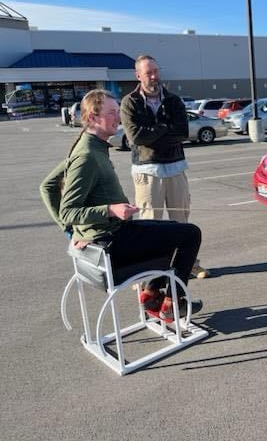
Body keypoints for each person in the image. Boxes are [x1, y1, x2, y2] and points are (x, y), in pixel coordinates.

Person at [40, 89, 203, 321]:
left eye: (118, 111)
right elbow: (68, 211)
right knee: (190, 234)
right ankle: (172, 305)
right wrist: (106, 212)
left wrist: (74, 230)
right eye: (112, 112)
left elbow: (47, 186)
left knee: (170, 230)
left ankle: (151, 294)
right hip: (113, 240)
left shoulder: (92, 146)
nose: (118, 117)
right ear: (93, 118)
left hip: (113, 234)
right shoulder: (87, 156)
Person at [120, 55, 208, 279]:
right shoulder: (130, 102)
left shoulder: (173, 100)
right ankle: (148, 273)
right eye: (148, 73)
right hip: (147, 170)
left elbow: (182, 133)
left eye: (156, 71)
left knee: (181, 221)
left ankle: (188, 265)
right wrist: (164, 129)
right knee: (150, 224)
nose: (154, 76)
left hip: (176, 167)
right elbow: (136, 137)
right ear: (138, 75)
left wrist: (155, 132)